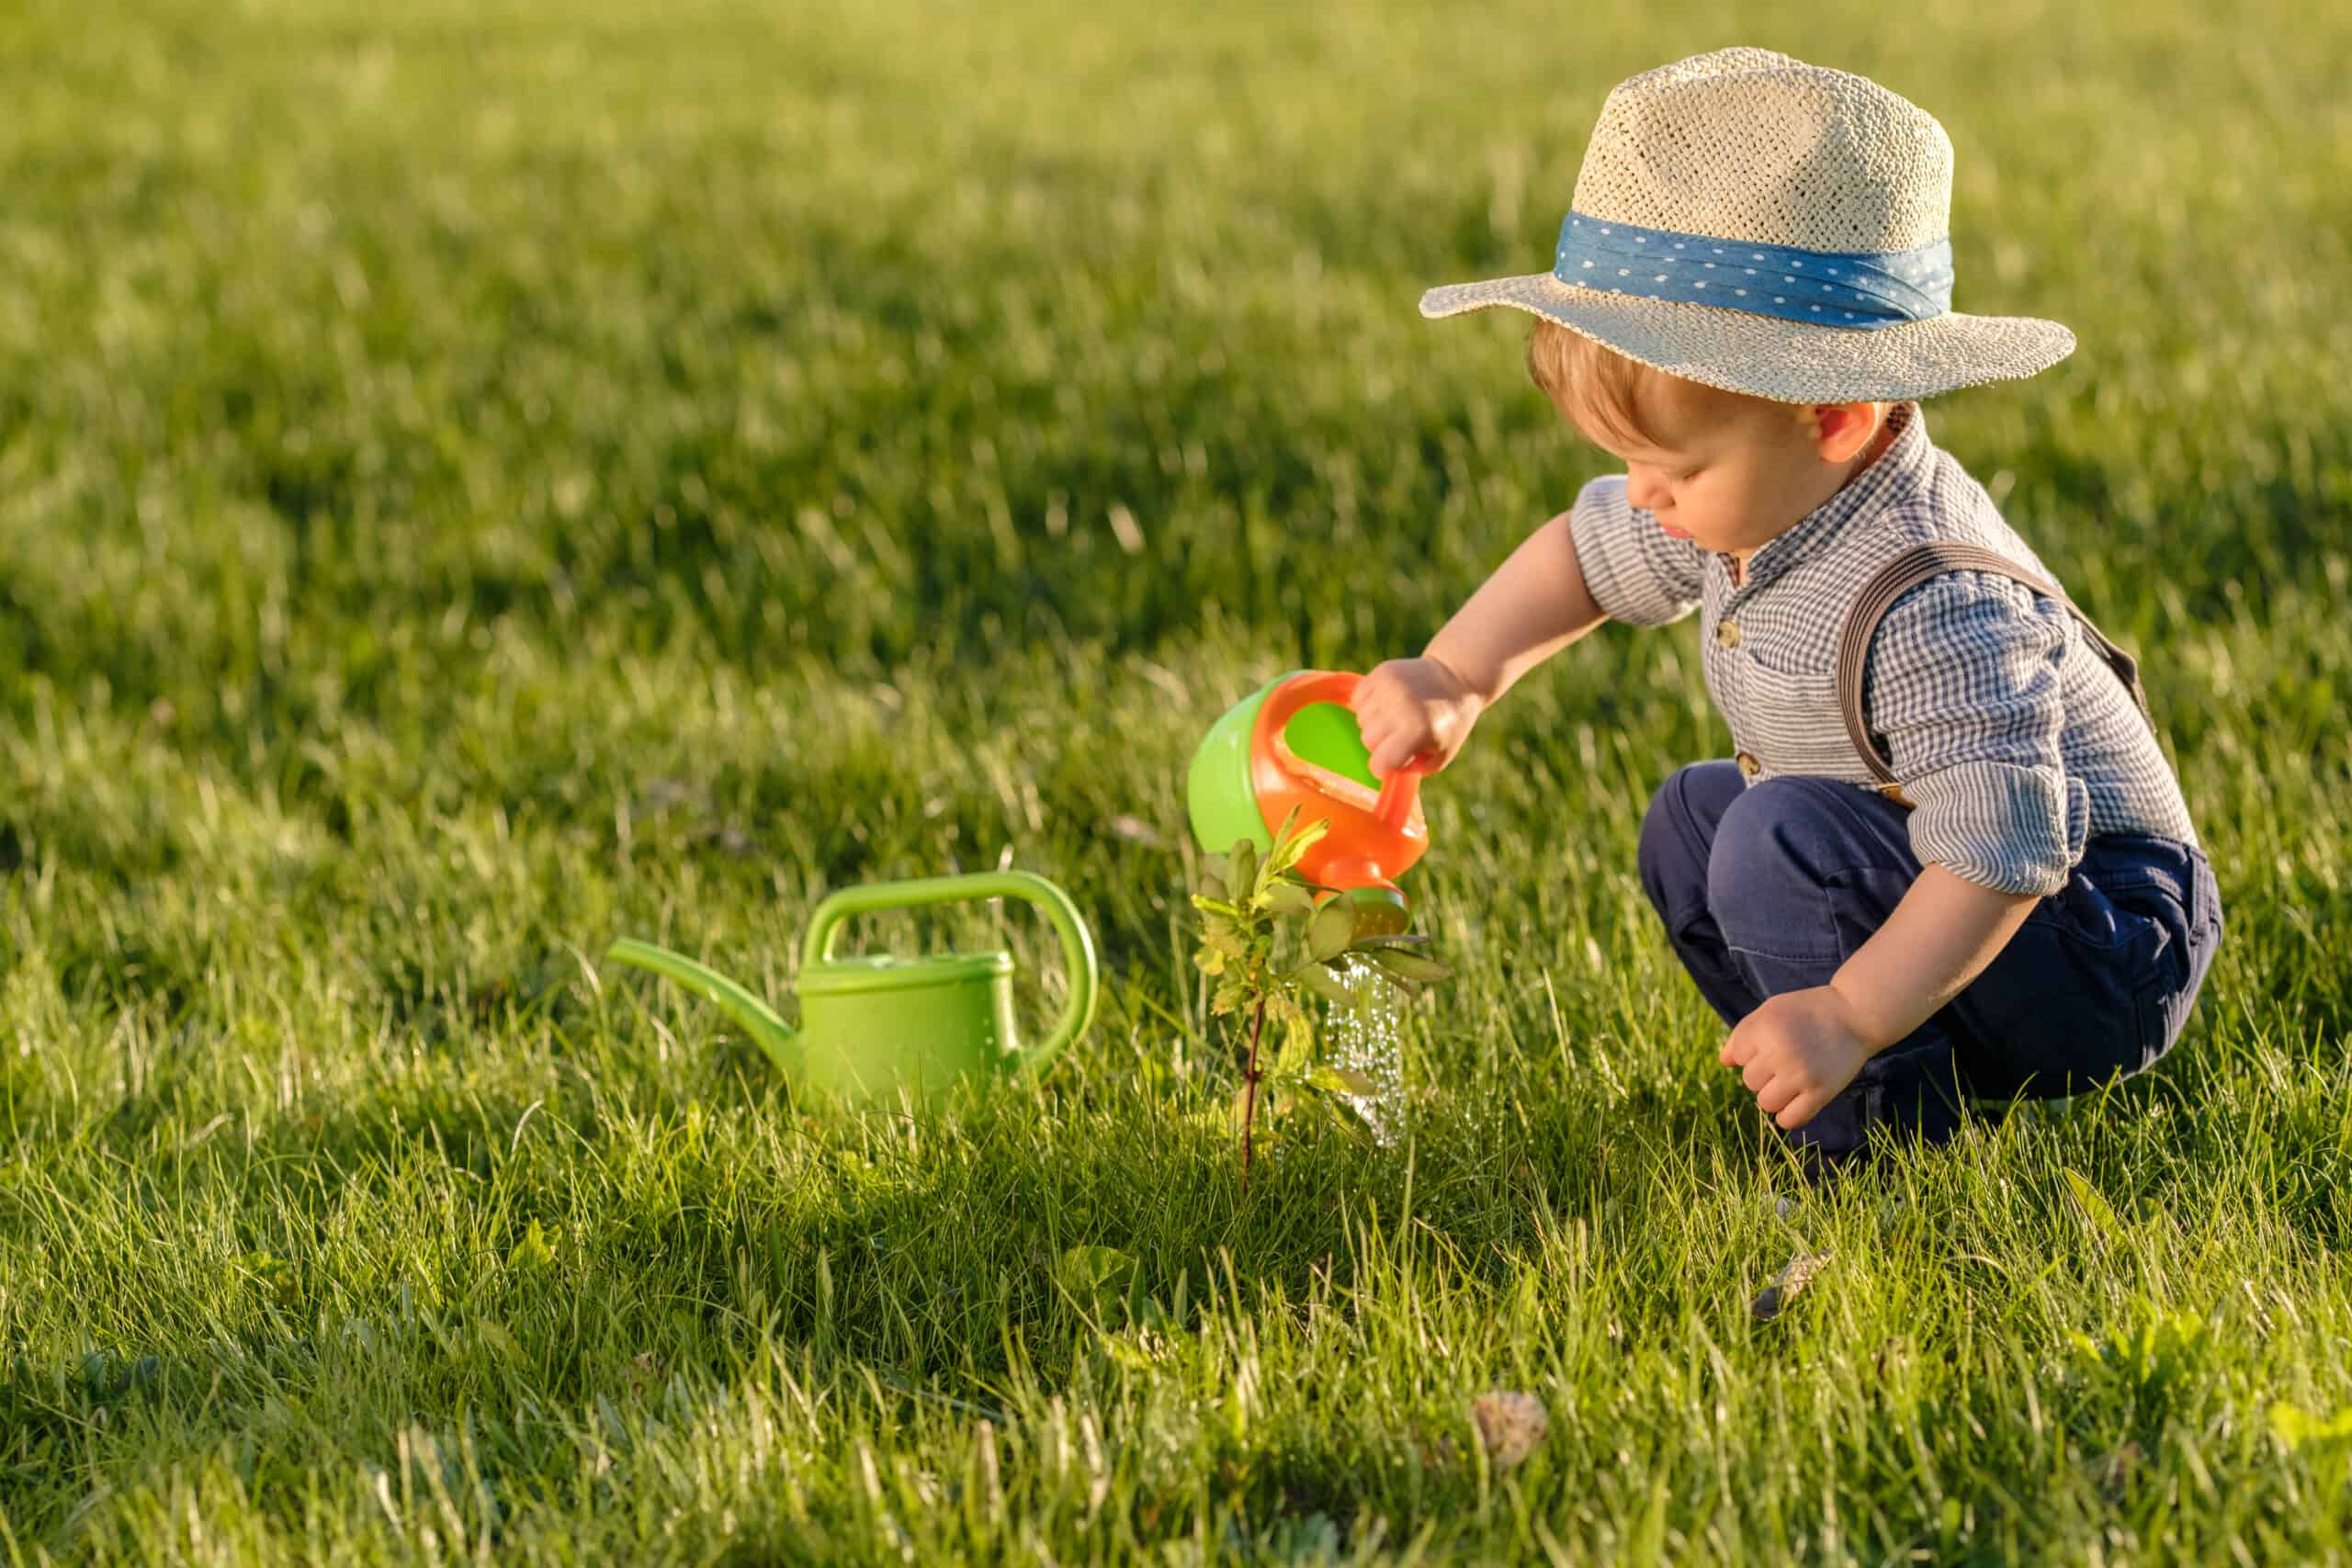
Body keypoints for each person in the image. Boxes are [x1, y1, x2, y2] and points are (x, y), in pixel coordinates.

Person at [1351, 48, 2222, 1170]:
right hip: (1950, 868)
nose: (1645, 495)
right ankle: (1842, 1075)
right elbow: (1582, 548)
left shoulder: (1934, 601)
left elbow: (2006, 848)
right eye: (1626, 461)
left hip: (2092, 936)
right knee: (1692, 822)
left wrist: (1853, 1009)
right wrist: (1456, 675)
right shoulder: (1756, 498)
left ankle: (1874, 1134)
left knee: (1777, 838)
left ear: (1837, 416)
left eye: (1670, 466)